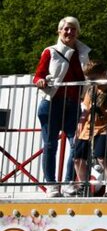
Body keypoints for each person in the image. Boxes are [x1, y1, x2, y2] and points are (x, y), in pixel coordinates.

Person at [33, 16, 90, 197]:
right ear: (59, 31)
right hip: (52, 104)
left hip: (73, 105)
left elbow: (88, 78)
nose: (69, 32)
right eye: (66, 29)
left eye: (73, 29)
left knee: (77, 143)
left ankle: (68, 182)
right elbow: (37, 75)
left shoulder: (83, 54)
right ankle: (51, 184)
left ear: (77, 32)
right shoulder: (50, 52)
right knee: (50, 145)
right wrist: (41, 81)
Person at [72, 60, 107, 195]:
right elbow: (86, 109)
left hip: (104, 127)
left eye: (94, 79)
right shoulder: (91, 89)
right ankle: (83, 185)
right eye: (90, 80)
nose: (92, 82)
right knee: (78, 158)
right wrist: (80, 126)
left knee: (102, 157)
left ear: (103, 73)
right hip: (88, 128)